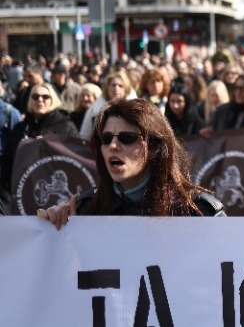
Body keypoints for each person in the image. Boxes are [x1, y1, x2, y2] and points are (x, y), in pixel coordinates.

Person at [37, 99, 225, 228]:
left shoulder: (199, 211)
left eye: (127, 138)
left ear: (154, 146)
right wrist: (56, 227)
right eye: (106, 138)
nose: (113, 146)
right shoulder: (88, 208)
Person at [9, 83, 79, 176]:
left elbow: (75, 155)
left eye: (45, 97)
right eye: (35, 96)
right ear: (30, 100)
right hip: (25, 180)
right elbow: (11, 156)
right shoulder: (21, 127)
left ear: (52, 100)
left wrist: (50, 144)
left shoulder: (66, 125)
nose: (40, 100)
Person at [80, 70, 137, 140]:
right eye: (113, 85)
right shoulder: (94, 110)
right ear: (107, 88)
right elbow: (84, 135)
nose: (116, 89)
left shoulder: (134, 110)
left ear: (126, 89)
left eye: (120, 86)